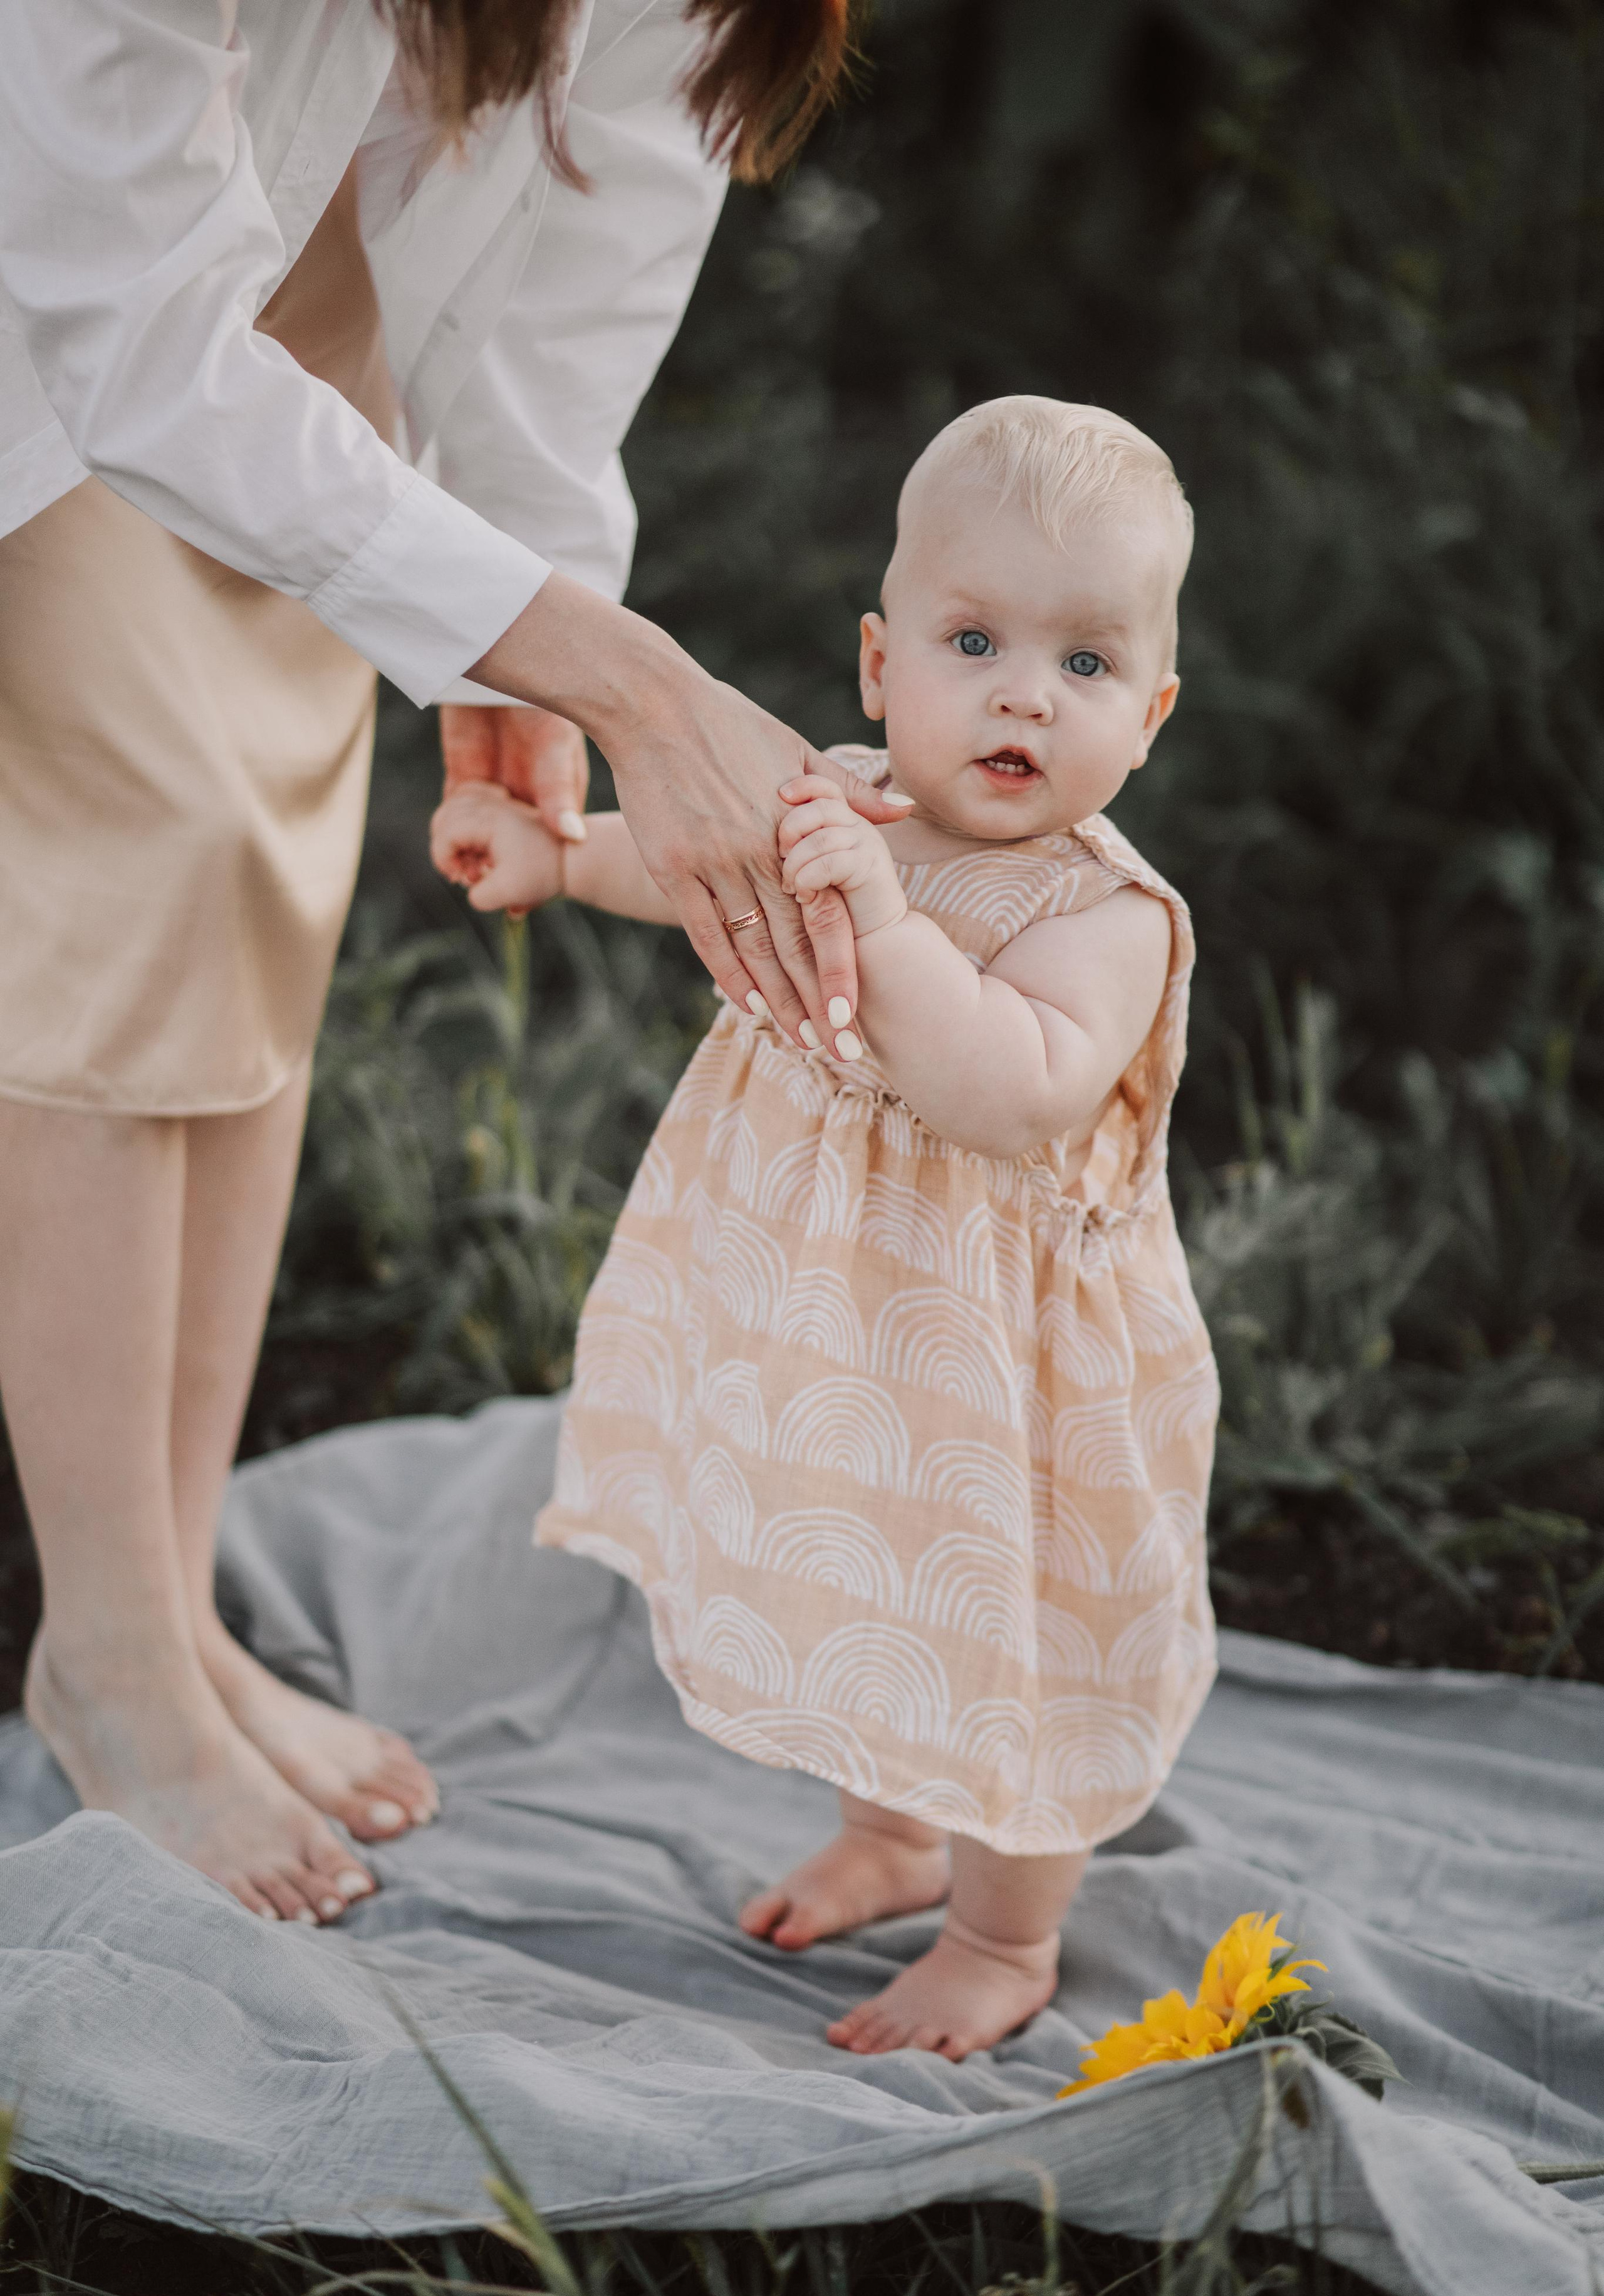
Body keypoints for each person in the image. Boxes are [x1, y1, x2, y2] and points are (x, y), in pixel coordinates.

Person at [0, 0, 904, 1930]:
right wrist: (630, 680)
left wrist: (531, 615)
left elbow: (609, 191)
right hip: (70, 280)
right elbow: (135, 352)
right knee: (130, 882)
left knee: (270, 879)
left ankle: (167, 1598)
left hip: (304, 258)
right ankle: (106, 1649)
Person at [434, 395, 1221, 2060]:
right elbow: (688, 868)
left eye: (1085, 666)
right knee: (875, 1580)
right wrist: (561, 856)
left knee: (1010, 1634)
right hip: (851, 1337)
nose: (1023, 690)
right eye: (976, 639)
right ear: (881, 668)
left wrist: (884, 920)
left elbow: (1009, 1093)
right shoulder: (841, 802)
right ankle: (886, 1834)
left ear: (1148, 715)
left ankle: (1004, 1936)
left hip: (1015, 1390)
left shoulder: (1105, 917)